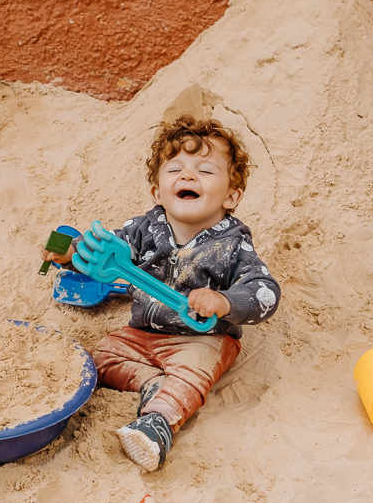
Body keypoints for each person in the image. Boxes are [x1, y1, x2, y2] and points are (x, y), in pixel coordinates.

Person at [41, 114, 280, 472]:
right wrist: (71, 254)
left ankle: (157, 422)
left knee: (191, 376)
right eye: (175, 170)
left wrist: (225, 301)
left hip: (203, 339)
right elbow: (107, 252)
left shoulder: (232, 245)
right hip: (142, 332)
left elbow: (265, 292)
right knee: (98, 359)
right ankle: (153, 384)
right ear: (157, 191)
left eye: (205, 171)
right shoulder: (145, 229)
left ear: (231, 195)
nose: (188, 176)